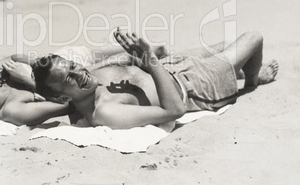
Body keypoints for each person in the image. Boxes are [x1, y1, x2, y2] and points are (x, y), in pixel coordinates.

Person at [33, 30, 279, 129]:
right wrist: (150, 58)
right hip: (195, 84)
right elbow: (175, 110)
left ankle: (240, 69)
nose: (80, 73)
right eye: (70, 78)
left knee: (225, 45)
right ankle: (252, 82)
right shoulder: (106, 113)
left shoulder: (88, 78)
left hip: (170, 66)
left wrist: (144, 53)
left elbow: (126, 60)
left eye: (74, 67)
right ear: (64, 96)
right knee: (252, 38)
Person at [0, 44, 171, 128]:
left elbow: (17, 56)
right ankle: (134, 57)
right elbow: (67, 105)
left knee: (70, 54)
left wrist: (35, 64)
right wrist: (31, 82)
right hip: (58, 87)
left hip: (49, 70)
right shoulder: (15, 112)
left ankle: (134, 53)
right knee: (83, 75)